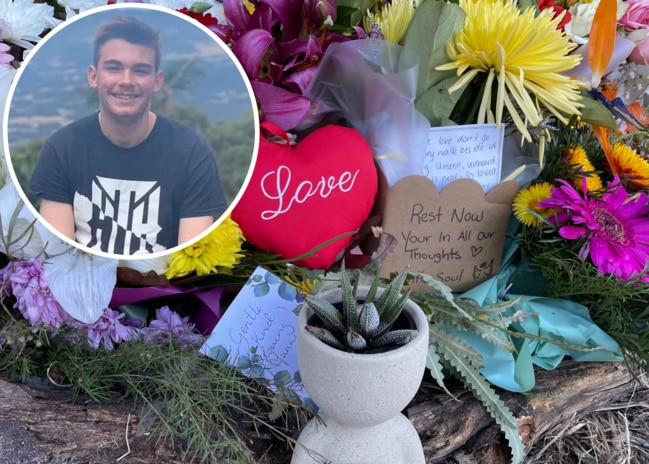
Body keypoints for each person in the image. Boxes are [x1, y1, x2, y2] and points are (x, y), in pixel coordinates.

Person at [29, 15, 228, 255]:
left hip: (165, 290)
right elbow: (57, 255)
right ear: (94, 76)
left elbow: (193, 258)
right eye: (114, 68)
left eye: (140, 70)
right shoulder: (62, 148)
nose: (126, 81)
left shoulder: (193, 152)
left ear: (157, 81)